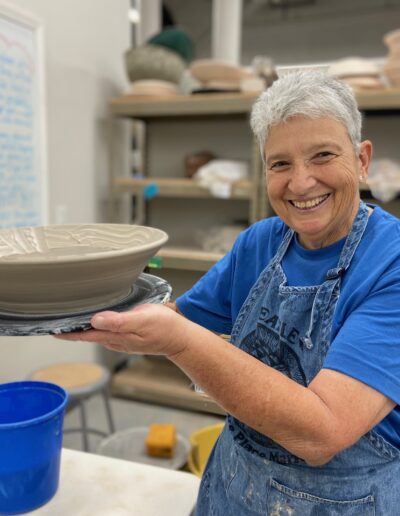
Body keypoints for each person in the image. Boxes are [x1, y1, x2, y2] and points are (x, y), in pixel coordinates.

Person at [58, 71, 400, 515]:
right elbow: (177, 317)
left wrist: (176, 341)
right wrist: (86, 299)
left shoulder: (390, 263)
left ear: (361, 159)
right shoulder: (258, 244)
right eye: (280, 164)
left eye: (322, 156)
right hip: (233, 489)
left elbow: (322, 432)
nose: (300, 183)